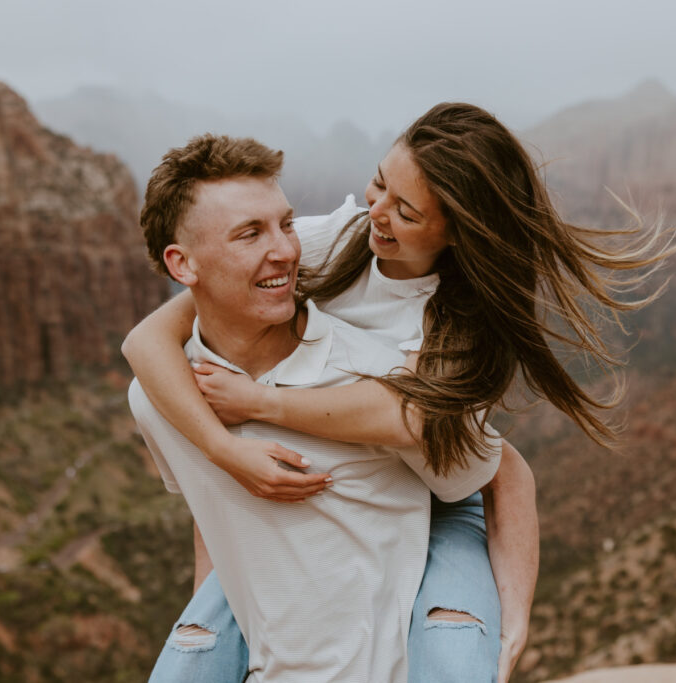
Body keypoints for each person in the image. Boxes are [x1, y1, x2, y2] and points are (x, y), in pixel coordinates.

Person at [126, 103, 676, 681]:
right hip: (341, 475)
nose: (377, 212)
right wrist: (225, 450)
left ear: (457, 230)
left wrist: (262, 404)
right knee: (194, 652)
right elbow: (148, 342)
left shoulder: (457, 328)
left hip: (439, 489)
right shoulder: (333, 239)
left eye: (407, 212)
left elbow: (430, 432)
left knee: (455, 653)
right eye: (379, 183)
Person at [128, 133, 509, 682]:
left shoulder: (381, 381)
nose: (285, 249)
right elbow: (214, 513)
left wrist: (511, 615)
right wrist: (204, 637)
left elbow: (494, 472)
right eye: (249, 233)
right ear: (182, 264)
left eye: (286, 224)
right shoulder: (159, 396)